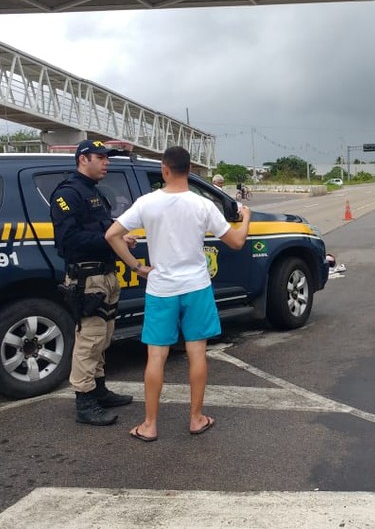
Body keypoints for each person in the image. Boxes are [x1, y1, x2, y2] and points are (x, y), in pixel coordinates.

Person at [105, 146, 252, 442]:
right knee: (197, 353)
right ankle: (196, 418)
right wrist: (245, 216)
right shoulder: (203, 205)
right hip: (196, 287)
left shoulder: (147, 203)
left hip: (161, 289)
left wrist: (136, 266)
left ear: (165, 169)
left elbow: (112, 235)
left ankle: (149, 425)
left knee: (156, 356)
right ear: (190, 171)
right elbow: (236, 242)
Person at [50, 139, 135, 426]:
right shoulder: (68, 194)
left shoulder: (94, 193)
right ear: (83, 159)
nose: (107, 162)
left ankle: (99, 389)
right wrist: (110, 239)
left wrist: (119, 239)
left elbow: (106, 230)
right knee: (90, 338)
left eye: (107, 157)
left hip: (105, 274)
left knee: (104, 335)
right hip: (87, 277)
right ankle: (85, 401)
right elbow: (67, 240)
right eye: (101, 157)